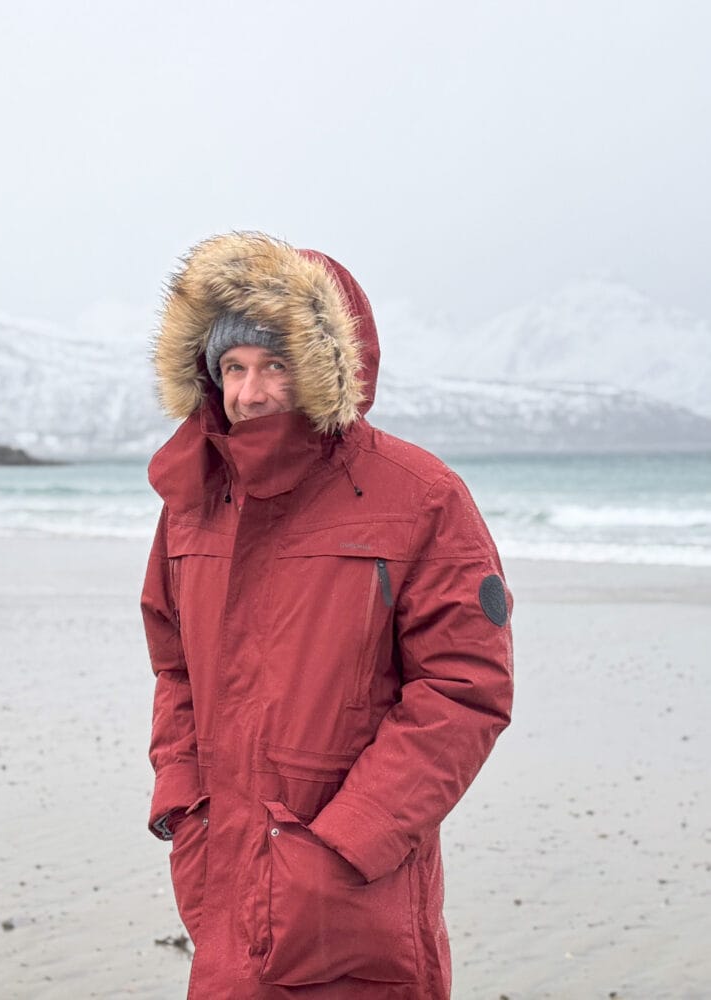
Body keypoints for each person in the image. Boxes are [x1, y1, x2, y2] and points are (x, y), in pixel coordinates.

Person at [141, 232, 514, 999]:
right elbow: (172, 661)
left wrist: (345, 843)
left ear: (324, 368)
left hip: (354, 897)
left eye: (275, 364)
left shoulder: (418, 495)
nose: (251, 392)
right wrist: (183, 799)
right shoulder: (194, 501)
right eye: (234, 368)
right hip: (222, 871)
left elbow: (463, 688)